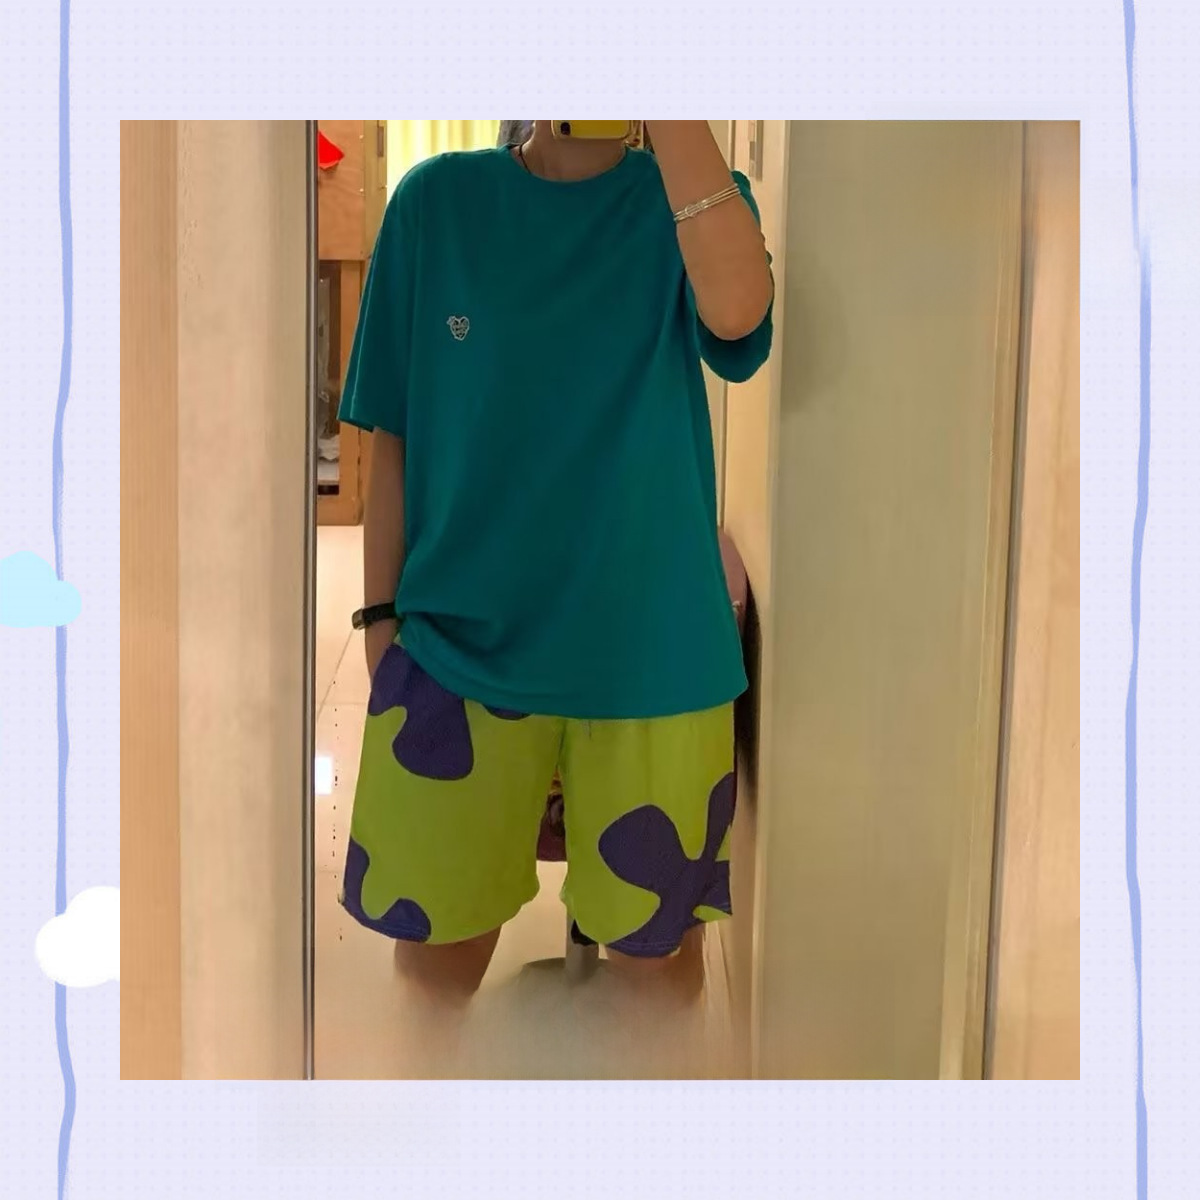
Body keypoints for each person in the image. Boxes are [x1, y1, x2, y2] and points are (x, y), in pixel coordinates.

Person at [337, 120, 774, 1018]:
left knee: (655, 974)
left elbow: (738, 315)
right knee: (436, 965)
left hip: (654, 662)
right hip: (457, 653)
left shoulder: (690, 202)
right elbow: (394, 435)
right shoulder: (436, 205)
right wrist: (380, 624)